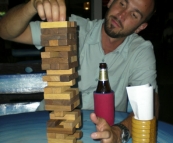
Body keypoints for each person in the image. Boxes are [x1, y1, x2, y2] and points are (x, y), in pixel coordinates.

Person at [0, 0, 159, 142]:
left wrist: (119, 132)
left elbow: (150, 104)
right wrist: (32, 5)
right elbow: (6, 32)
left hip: (106, 130)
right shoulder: (72, 27)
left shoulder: (140, 51)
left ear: (140, 27)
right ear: (110, 2)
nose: (122, 15)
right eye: (122, 3)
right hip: (48, 125)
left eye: (134, 14)